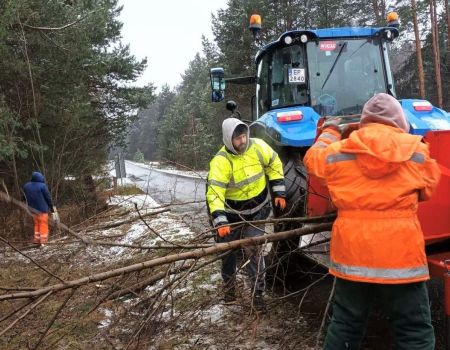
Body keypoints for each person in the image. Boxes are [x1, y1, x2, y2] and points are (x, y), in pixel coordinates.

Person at [304, 93, 441, 349]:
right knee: (413, 330)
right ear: (398, 122)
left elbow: (312, 160)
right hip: (401, 256)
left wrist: (332, 130)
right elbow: (428, 189)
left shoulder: (337, 153)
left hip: (353, 254)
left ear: (364, 122)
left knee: (345, 324)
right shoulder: (417, 151)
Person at [206, 117, 286, 312]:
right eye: (237, 139)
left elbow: (274, 163)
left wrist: (279, 191)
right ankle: (229, 291)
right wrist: (220, 221)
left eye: (243, 136)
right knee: (227, 253)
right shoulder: (220, 162)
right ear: (227, 140)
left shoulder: (258, 147)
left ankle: (257, 296)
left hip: (257, 212)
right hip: (231, 216)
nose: (242, 141)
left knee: (254, 252)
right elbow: (214, 194)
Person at [23, 171, 55, 245]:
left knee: (37, 224)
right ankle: (43, 242)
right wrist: (51, 207)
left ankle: (37, 240)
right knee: (43, 224)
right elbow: (48, 198)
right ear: (41, 178)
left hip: (32, 209)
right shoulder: (42, 186)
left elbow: (24, 197)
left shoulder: (26, 186)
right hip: (42, 210)